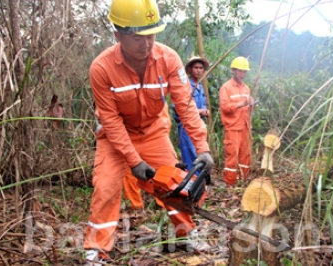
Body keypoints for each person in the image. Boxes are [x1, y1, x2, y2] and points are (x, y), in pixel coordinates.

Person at [84, 0, 214, 264]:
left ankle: (184, 234)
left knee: (176, 184)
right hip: (115, 136)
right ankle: (96, 251)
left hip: (153, 131)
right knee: (106, 188)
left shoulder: (168, 59)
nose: (146, 44)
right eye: (136, 37)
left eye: (151, 35)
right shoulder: (101, 68)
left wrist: (203, 147)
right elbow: (109, 119)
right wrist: (133, 161)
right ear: (117, 35)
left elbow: (186, 106)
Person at [219, 56, 256, 187]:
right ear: (233, 71)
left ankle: (243, 180)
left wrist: (251, 104)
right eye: (240, 71)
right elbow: (225, 108)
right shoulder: (226, 88)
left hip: (245, 126)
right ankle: (230, 183)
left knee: (245, 155)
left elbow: (248, 107)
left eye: (245, 71)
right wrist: (242, 103)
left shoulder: (246, 88)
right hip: (233, 127)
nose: (243, 74)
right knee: (232, 156)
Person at [173, 56, 210, 171]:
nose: (199, 70)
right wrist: (199, 111)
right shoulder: (185, 85)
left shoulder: (200, 86)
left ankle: (200, 183)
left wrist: (205, 111)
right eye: (196, 68)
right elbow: (178, 107)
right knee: (190, 156)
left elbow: (202, 104)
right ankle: (191, 183)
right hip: (186, 128)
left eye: (201, 68)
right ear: (189, 69)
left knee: (200, 154)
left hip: (198, 126)